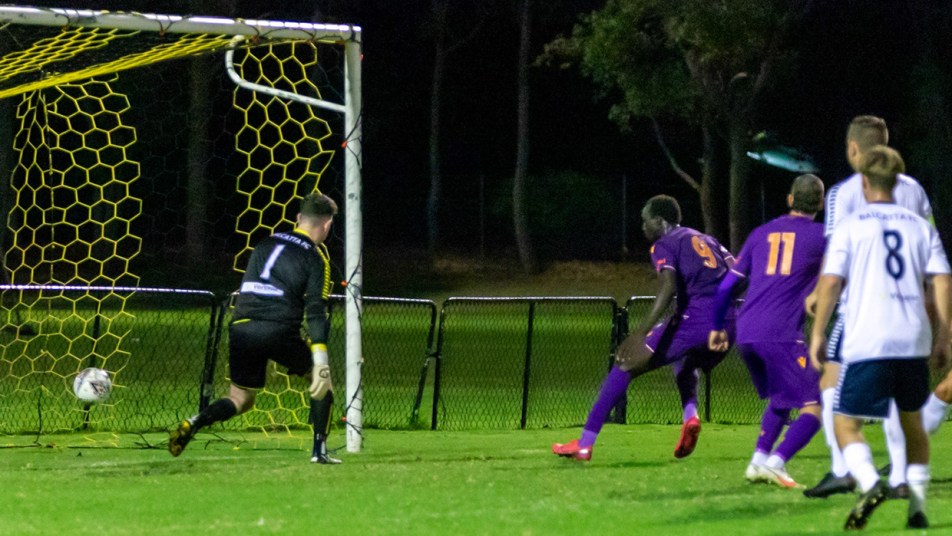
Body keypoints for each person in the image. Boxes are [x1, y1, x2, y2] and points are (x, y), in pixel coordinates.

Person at [808, 146, 950, 530]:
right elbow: (940, 278)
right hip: (913, 338)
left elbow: (832, 281)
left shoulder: (852, 225)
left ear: (865, 182)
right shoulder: (920, 227)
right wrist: (944, 337)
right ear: (899, 181)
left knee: (844, 422)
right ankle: (917, 507)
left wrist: (818, 332)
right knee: (913, 426)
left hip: (868, 337)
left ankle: (869, 483)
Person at [552, 195, 735, 461]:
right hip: (729, 325)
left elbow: (668, 285)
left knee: (624, 363)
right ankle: (690, 417)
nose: (643, 227)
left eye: (645, 221)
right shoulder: (707, 240)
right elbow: (740, 274)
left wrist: (639, 333)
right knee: (684, 363)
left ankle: (584, 443)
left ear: (660, 221)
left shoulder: (664, 244)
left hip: (697, 321)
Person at [168, 192, 341, 464]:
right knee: (322, 383)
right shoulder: (315, 258)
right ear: (327, 225)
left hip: (242, 326)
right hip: (278, 330)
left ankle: (196, 420)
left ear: (298, 219)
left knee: (241, 398)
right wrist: (320, 358)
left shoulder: (265, 243)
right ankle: (319, 451)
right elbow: (316, 311)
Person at [708, 174, 826, 489]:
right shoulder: (824, 237)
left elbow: (726, 287)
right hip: (781, 334)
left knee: (781, 398)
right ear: (821, 203)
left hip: (746, 332)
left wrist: (718, 327)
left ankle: (757, 462)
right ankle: (777, 462)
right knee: (816, 402)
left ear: (790, 200)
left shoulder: (760, 234)